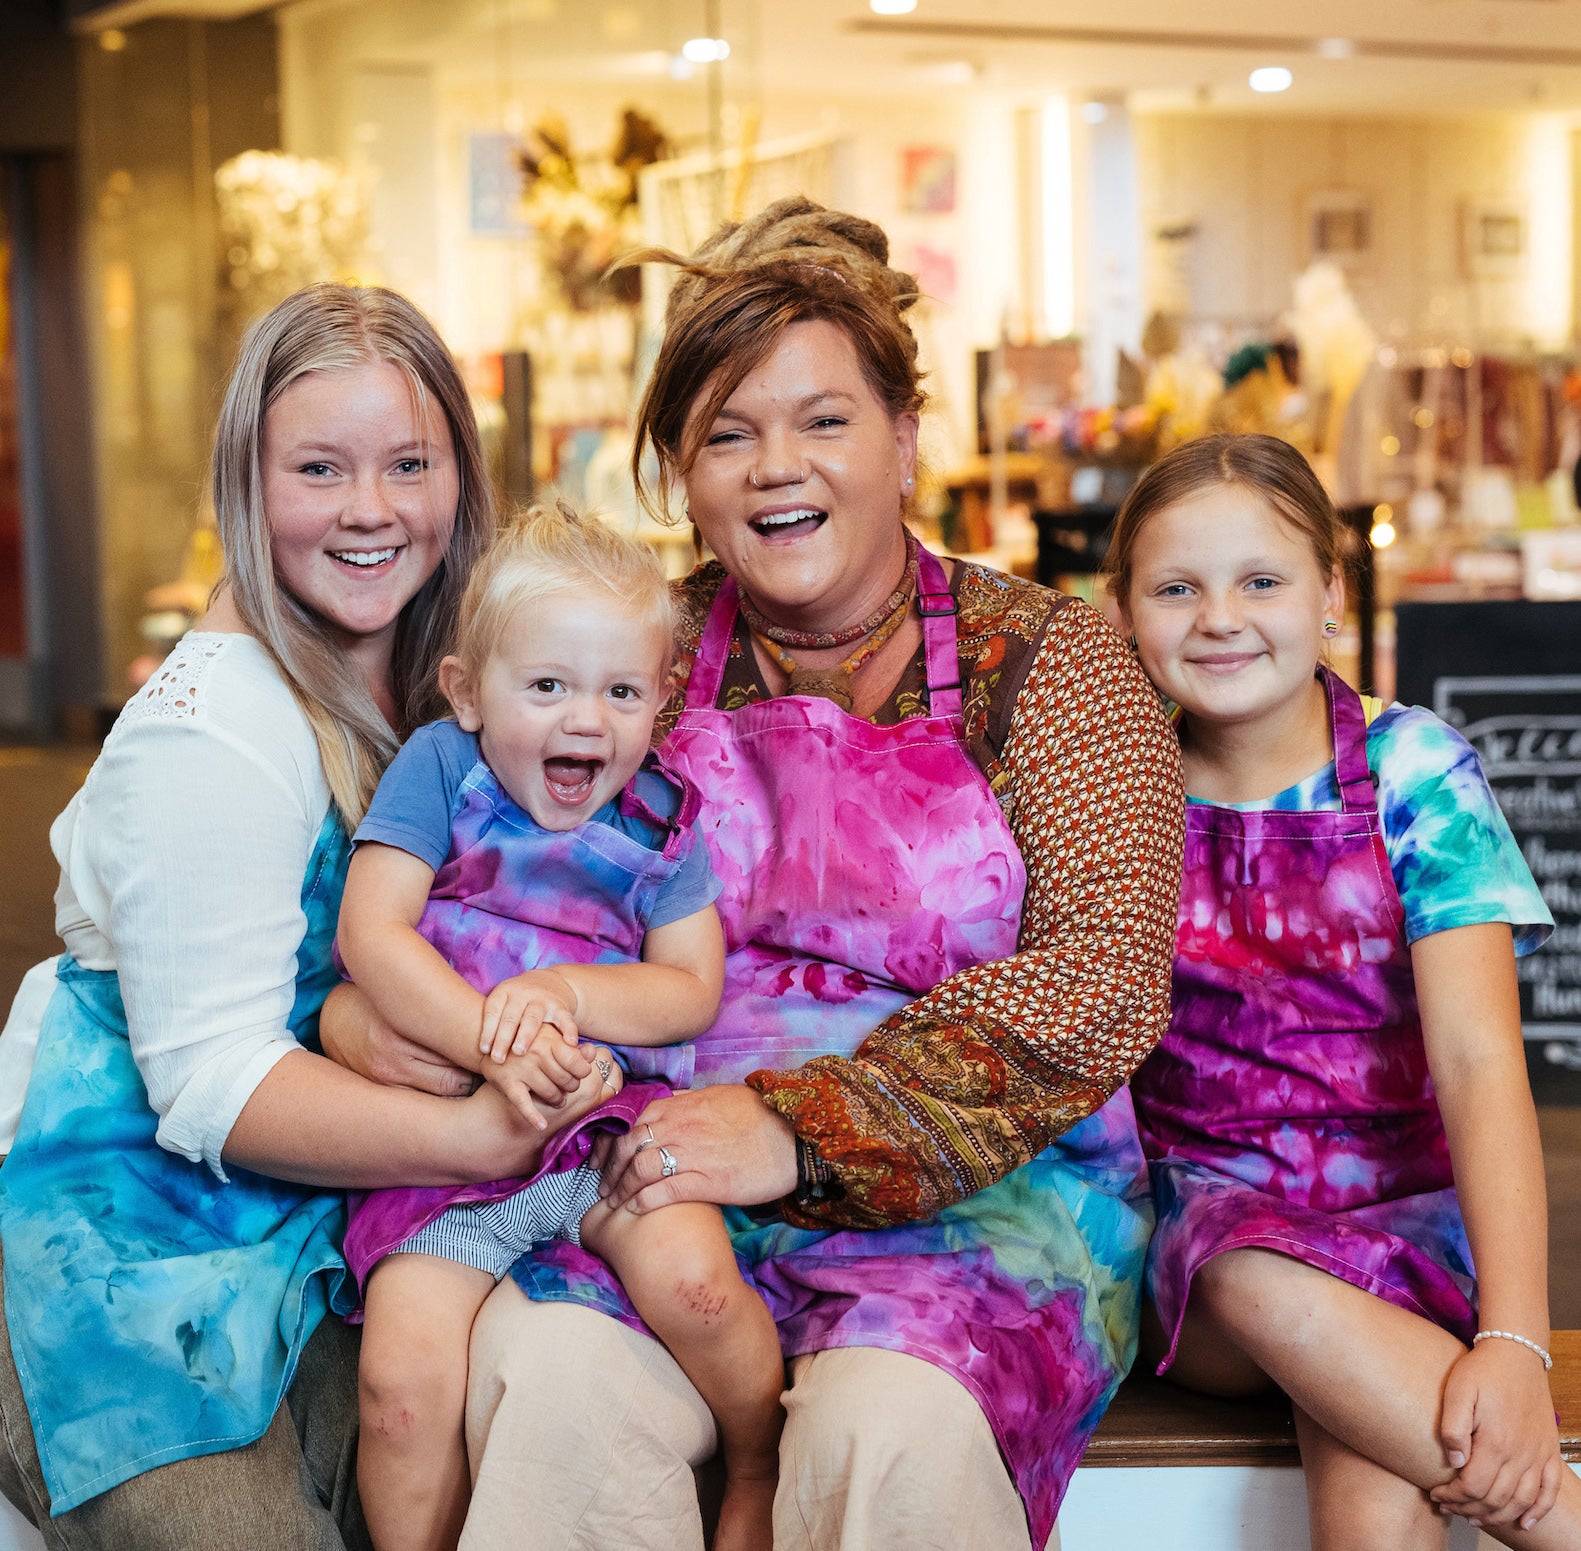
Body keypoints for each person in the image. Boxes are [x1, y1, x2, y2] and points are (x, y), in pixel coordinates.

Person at [322, 196, 1185, 1551]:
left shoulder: (1049, 663)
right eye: (727, 432)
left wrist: (797, 1125)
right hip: (645, 1176)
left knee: (881, 1434)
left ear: (905, 438)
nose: (776, 466)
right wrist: (399, 1022)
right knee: (553, 1390)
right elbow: (474, 893)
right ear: (677, 469)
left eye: (824, 420)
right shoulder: (626, 663)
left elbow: (1103, 980)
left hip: (968, 1208)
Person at [0, 283, 577, 1549]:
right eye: (320, 468)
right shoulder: (213, 729)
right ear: (248, 487)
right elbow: (210, 1084)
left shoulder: (456, 684)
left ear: (460, 480)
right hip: (123, 1247)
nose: (372, 509)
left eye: (409, 464)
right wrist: (488, 1142)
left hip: (316, 1222)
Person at [1111, 433, 1581, 1548]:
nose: (1220, 617)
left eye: (1261, 580)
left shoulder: (1416, 770)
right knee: (1251, 1274)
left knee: (1375, 1510)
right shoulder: (1115, 789)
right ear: (1123, 609)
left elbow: (1477, 1066)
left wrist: (1517, 1348)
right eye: (1176, 588)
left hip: (1411, 1236)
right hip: (1207, 1251)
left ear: (1331, 590)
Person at [337, 504, 782, 1551]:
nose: (586, 721)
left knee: (701, 1291)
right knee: (401, 1392)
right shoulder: (443, 771)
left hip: (600, 1129)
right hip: (440, 1154)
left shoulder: (661, 821)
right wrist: (484, 1034)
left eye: (621, 692)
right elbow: (372, 930)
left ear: (660, 702)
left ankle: (758, 1458)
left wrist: (572, 997)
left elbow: (688, 991)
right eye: (547, 687)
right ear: (467, 693)